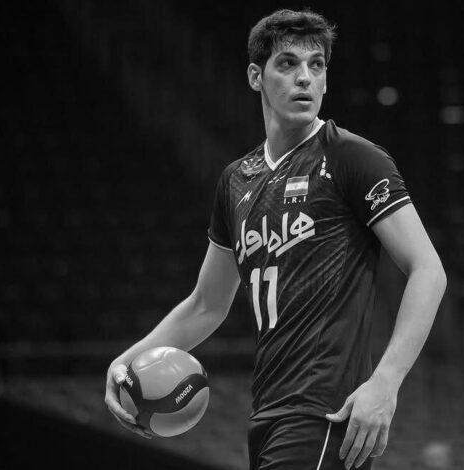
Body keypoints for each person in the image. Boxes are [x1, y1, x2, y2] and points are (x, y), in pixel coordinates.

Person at [104, 8, 446, 470]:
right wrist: (126, 361)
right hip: (267, 414)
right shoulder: (236, 181)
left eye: (316, 65)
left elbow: (428, 270)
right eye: (287, 64)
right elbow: (206, 304)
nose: (305, 77)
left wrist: (386, 382)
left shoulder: (351, 157)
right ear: (255, 77)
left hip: (326, 410)